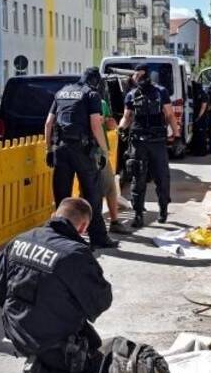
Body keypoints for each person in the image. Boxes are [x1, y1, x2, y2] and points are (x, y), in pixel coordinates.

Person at [0, 197, 113, 373]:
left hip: (15, 329)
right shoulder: (75, 254)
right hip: (51, 337)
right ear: (83, 226)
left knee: (92, 341)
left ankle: (39, 360)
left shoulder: (21, 239)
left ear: (54, 214)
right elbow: (100, 300)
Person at [44, 67, 115, 248]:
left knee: (62, 196)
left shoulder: (62, 92)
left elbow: (49, 123)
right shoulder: (91, 95)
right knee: (92, 194)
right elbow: (95, 125)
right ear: (95, 81)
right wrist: (104, 151)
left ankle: (59, 238)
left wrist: (49, 149)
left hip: (60, 149)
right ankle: (98, 238)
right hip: (82, 151)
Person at [118, 64, 180, 228]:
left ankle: (152, 213)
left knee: (150, 178)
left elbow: (169, 115)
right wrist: (121, 129)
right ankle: (149, 213)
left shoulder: (150, 93)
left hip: (148, 142)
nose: (135, 77)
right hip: (147, 142)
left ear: (143, 74)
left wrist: (177, 135)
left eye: (137, 75)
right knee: (149, 177)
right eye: (135, 75)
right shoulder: (142, 94)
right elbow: (127, 116)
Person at [99, 96, 127, 234]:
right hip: (97, 152)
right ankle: (114, 222)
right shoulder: (100, 102)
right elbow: (111, 125)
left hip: (77, 152)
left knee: (85, 189)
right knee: (110, 187)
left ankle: (83, 224)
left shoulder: (64, 98)